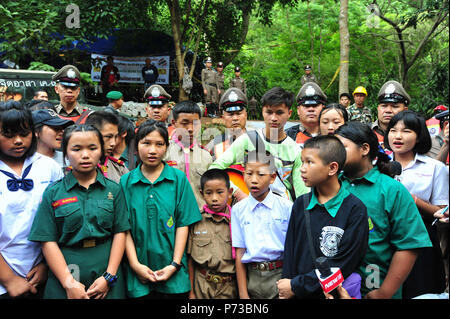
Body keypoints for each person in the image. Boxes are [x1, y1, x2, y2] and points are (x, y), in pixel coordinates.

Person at [28, 124, 130, 299]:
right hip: (65, 271)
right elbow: (47, 241)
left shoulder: (114, 190)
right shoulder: (53, 192)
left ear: (101, 151)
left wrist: (109, 276)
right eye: (76, 149)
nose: (85, 155)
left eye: (92, 148)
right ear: (65, 154)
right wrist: (69, 283)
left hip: (105, 269)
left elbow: (120, 232)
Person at [334, 121, 432, 299]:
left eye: (341, 148)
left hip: (374, 287)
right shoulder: (331, 184)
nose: (334, 154)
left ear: (364, 149)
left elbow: (409, 245)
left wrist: (384, 292)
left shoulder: (391, 190)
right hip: (334, 288)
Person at [278, 135, 369, 299]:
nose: (302, 168)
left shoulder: (355, 209)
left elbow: (344, 264)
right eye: (302, 161)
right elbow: (291, 252)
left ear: (332, 168)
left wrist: (297, 285)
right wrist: (288, 286)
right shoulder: (301, 204)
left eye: (310, 162)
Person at [120, 120, 202, 299]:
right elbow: (123, 228)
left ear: (166, 147)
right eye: (146, 143)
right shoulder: (125, 182)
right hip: (138, 275)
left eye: (159, 144)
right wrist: (135, 265)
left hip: (174, 275)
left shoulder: (178, 179)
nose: (152, 150)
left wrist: (174, 264)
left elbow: (183, 224)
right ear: (136, 144)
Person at [0, 102, 64, 299]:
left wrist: (46, 265)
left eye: (24, 133)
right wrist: (9, 279)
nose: (18, 141)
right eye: (9, 135)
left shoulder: (48, 167)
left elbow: (60, 220)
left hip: (42, 273)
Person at [384, 110, 448, 298]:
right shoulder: (377, 165)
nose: (398, 136)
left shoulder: (435, 167)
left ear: (419, 136)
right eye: (393, 130)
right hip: (383, 237)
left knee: (421, 291)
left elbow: (442, 211)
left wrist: (412, 200)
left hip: (421, 237)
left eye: (406, 131)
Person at [210, 86, 309, 202]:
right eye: (269, 112)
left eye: (279, 112)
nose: (273, 118)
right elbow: (214, 169)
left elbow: (302, 193)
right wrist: (238, 192)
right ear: (262, 111)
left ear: (289, 113)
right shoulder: (247, 140)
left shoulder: (296, 151)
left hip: (282, 213)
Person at [231, 150, 293, 299]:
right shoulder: (238, 210)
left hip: (281, 274)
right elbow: (240, 252)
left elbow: (294, 249)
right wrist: (243, 294)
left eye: (260, 174)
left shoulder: (287, 207)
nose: (253, 180)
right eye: (249, 173)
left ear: (272, 178)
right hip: (253, 277)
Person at [187, 168, 236, 299]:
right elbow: (190, 260)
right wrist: (191, 292)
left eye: (220, 192)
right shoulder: (195, 220)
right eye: (209, 193)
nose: (214, 198)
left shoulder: (236, 221)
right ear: (202, 194)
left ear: (229, 192)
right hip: (201, 285)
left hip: (229, 288)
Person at [164, 100, 212, 209]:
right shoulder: (164, 153)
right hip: (171, 216)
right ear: (174, 123)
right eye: (184, 123)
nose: (190, 129)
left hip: (200, 216)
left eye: (195, 123)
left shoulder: (206, 157)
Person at [85, 111, 129, 183]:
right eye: (108, 137)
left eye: (115, 137)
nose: (113, 143)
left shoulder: (120, 169)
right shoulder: (79, 167)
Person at [206, 88, 248, 162]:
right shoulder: (214, 145)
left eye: (239, 113)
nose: (235, 118)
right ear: (223, 118)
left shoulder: (257, 143)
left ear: (246, 115)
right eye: (230, 114)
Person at [286, 82, 327, 148]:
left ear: (323, 109)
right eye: (306, 106)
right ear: (298, 110)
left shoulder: (331, 134)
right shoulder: (287, 136)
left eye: (315, 106)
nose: (311, 109)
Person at [372, 80, 410, 151]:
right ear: (378, 108)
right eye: (384, 106)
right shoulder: (366, 133)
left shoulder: (413, 136)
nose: (388, 110)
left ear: (405, 110)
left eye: (395, 106)